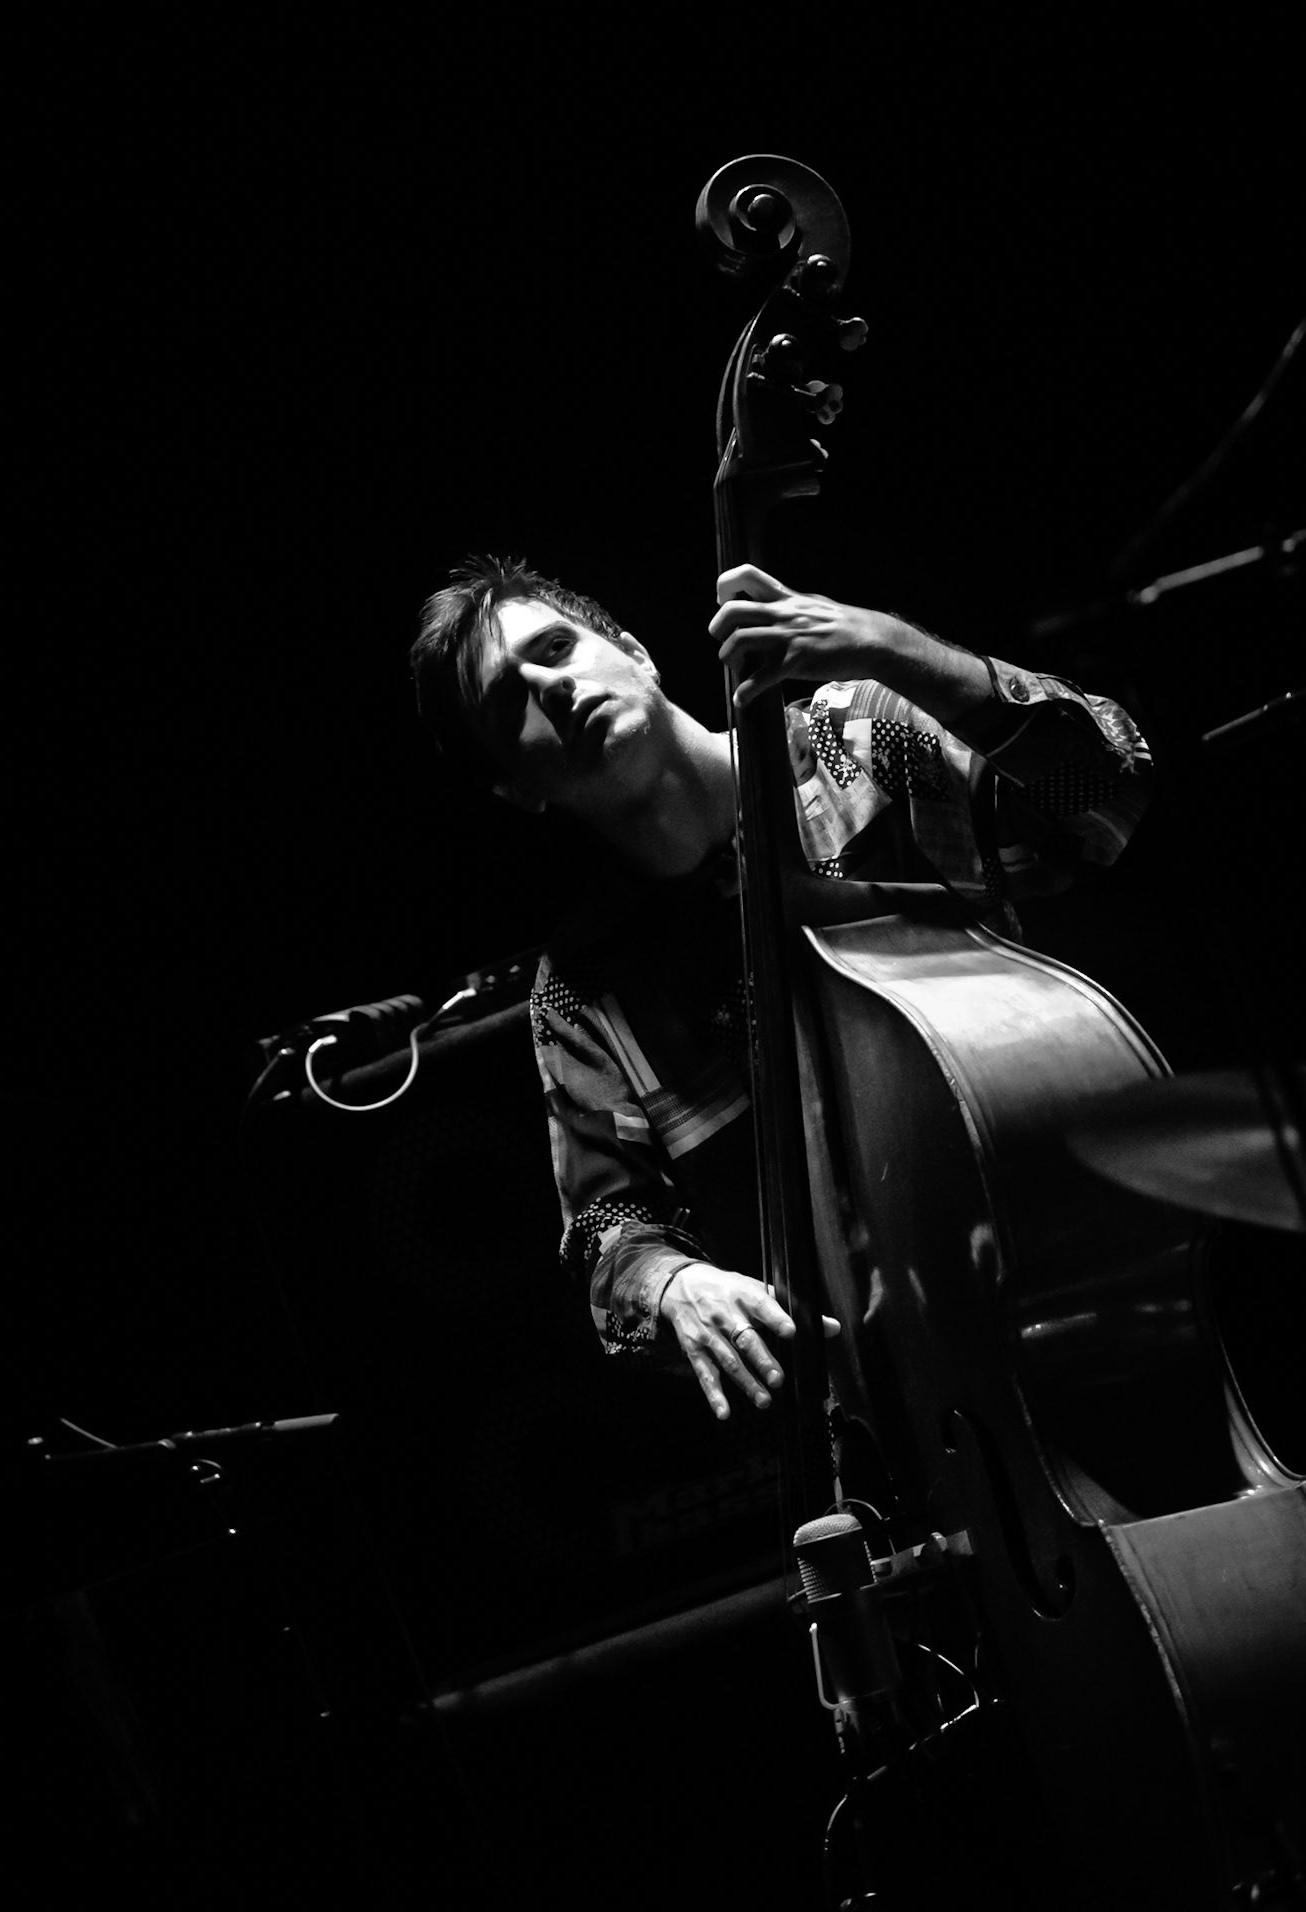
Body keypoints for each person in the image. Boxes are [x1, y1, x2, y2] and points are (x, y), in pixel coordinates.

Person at [410, 559, 1152, 1425]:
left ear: (634, 652)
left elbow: (1110, 798)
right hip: (898, 1415)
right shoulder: (580, 991)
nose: (554, 686)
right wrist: (670, 1282)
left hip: (1097, 1294)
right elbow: (608, 1230)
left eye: (558, 648)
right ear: (515, 787)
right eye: (510, 701)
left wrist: (898, 649)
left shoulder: (854, 742)